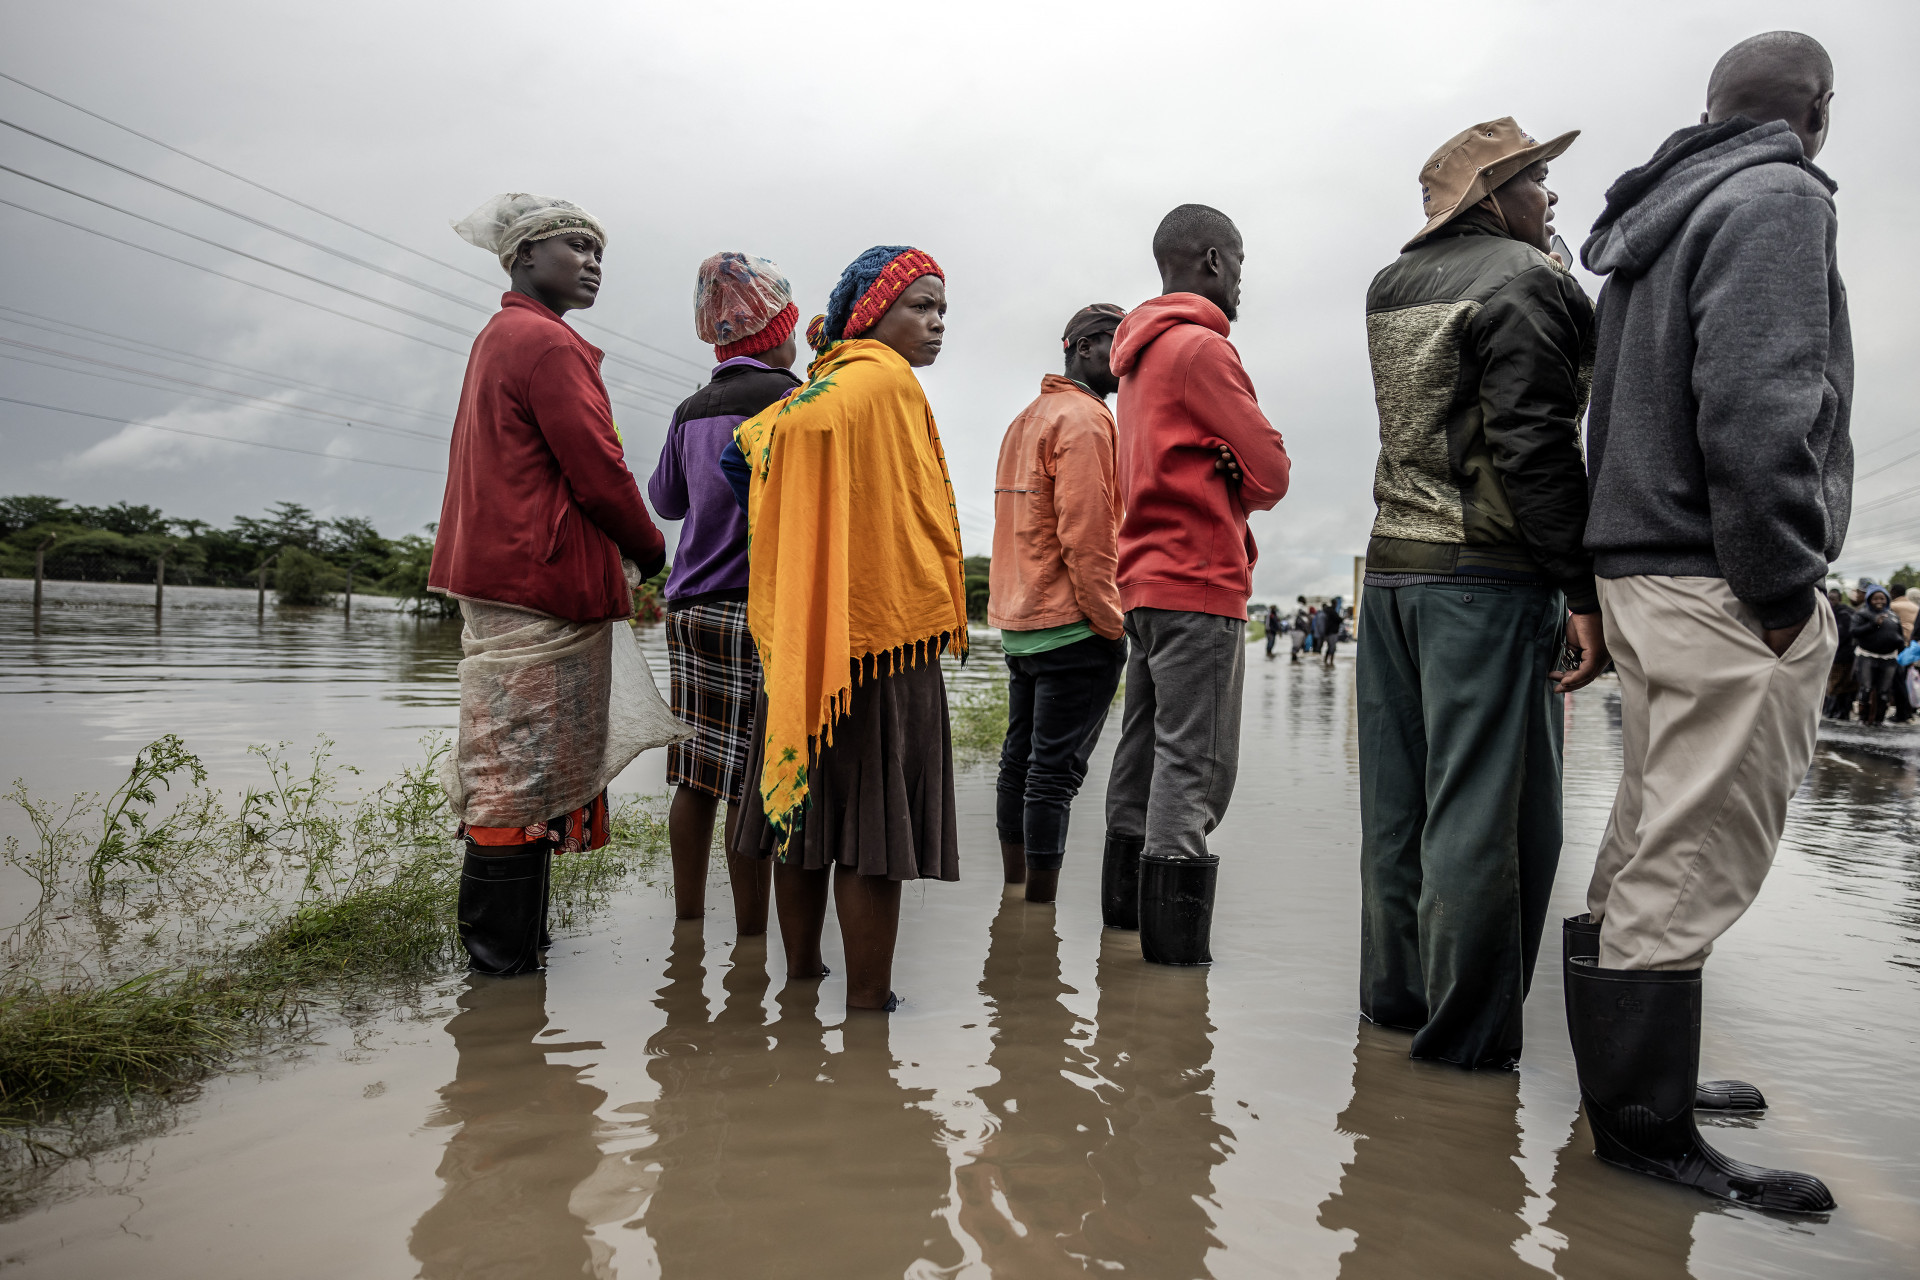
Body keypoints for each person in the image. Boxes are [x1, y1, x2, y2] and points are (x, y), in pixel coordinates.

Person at [1571, 32, 1849, 1212]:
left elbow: (1609, 413)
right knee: (1689, 854)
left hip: (1642, 564)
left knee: (1648, 830)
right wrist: (1782, 586)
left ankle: (1634, 1085)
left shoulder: (1655, 220)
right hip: (1718, 574)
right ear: (1815, 111)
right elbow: (1757, 402)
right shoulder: (1777, 194)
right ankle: (1644, 1133)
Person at [1356, 118, 1604, 1070]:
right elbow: (1535, 446)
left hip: (1394, 570)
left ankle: (1394, 1011)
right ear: (1493, 198)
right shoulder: (1527, 280)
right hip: (1487, 581)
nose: (1552, 195)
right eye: (1538, 180)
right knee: (1488, 822)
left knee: (1399, 810)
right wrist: (1582, 590)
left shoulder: (1390, 283)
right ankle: (1464, 1052)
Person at [432, 193, 674, 976]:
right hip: (538, 578)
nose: (593, 263)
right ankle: (502, 968)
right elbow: (598, 469)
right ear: (524, 256)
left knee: (513, 763)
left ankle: (511, 964)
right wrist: (649, 547)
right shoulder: (545, 342)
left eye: (599, 251)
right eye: (576, 245)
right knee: (520, 774)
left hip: (505, 576)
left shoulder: (502, 336)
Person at [731, 245, 968, 1012]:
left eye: (942, 310)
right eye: (920, 306)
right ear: (871, 313)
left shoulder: (839, 377)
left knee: (802, 816)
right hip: (879, 641)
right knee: (872, 832)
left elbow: (752, 456)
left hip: (813, 638)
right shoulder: (877, 377)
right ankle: (870, 1011)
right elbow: (766, 441)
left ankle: (801, 987)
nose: (937, 323)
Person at [1101, 204, 1291, 964]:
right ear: (1213, 260)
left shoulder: (1138, 357)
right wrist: (1238, 476)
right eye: (1239, 264)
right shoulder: (1203, 349)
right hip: (1199, 580)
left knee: (1142, 753)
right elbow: (1272, 471)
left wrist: (1230, 466)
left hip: (1145, 582)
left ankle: (1122, 930)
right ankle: (1173, 970)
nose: (1242, 281)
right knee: (1197, 766)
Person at [648, 252, 803, 934]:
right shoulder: (792, 400)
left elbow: (666, 501)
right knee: (750, 771)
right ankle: (749, 939)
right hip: (755, 607)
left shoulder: (690, 410)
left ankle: (687, 926)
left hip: (688, 608)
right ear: (777, 333)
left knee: (696, 770)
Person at [989, 303, 1128, 904]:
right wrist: (1112, 624)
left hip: (1020, 624)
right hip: (1073, 625)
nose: (1126, 359)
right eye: (1118, 344)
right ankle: (1037, 916)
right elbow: (1088, 533)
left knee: (1019, 762)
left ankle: (1015, 900)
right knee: (1053, 774)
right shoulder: (1087, 419)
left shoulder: (1027, 417)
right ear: (1085, 347)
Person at [1851, 584, 1902, 724]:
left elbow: (1899, 634)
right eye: (1875, 598)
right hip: (1867, 656)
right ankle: (1863, 719)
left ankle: (1879, 720)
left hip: (1889, 658)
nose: (1879, 601)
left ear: (1887, 600)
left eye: (1882, 598)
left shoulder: (1893, 616)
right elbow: (1854, 632)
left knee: (1884, 692)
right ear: (1869, 600)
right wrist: (1873, 624)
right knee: (1866, 688)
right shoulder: (1862, 614)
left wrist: (1899, 642)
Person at [1822, 585, 1856, 719]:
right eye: (1829, 599)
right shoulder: (1834, 612)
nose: (1831, 602)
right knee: (1840, 684)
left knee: (1838, 684)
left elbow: (1841, 635)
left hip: (1843, 655)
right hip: (1841, 654)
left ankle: (1835, 712)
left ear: (1840, 599)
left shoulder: (1844, 614)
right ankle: (1837, 712)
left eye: (1833, 599)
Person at [1318, 596, 1343, 667]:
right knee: (1332, 647)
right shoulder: (1332, 612)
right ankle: (1331, 662)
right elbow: (1339, 619)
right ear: (1335, 603)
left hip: (1327, 632)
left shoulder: (1327, 611)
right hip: (1332, 632)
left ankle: (1326, 661)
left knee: (1329, 647)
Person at [1291, 596, 1310, 662]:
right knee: (1296, 646)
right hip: (1299, 630)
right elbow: (1303, 620)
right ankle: (1294, 660)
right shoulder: (1299, 608)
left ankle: (1294, 660)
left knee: (1298, 645)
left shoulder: (1298, 607)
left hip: (1297, 630)